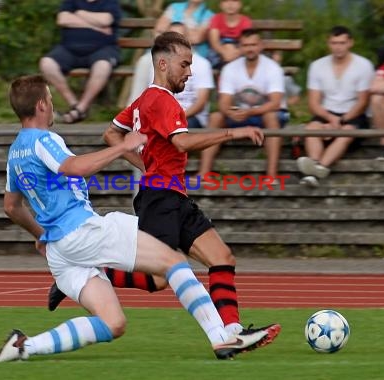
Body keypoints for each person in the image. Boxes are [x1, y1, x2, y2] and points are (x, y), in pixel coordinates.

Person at [0, 74, 265, 363]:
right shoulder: (43, 140)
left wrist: (41, 236)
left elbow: (12, 206)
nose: (52, 105)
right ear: (40, 106)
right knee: (173, 262)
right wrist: (122, 147)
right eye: (50, 99)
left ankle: (24, 346)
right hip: (83, 231)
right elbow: (74, 167)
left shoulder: (15, 152)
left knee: (113, 323)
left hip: (61, 251)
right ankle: (222, 338)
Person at [97, 31, 280, 344]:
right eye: (185, 64)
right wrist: (232, 134)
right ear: (164, 64)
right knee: (156, 280)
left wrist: (145, 164)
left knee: (222, 258)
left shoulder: (144, 100)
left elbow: (111, 134)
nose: (190, 72)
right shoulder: (163, 100)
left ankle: (234, 333)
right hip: (160, 200)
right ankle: (92, 273)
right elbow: (180, 142)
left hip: (173, 196)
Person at [196, 28, 287, 179]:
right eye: (246, 45)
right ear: (240, 47)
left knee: (271, 116)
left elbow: (275, 103)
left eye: (253, 45)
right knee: (216, 117)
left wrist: (250, 112)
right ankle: (204, 173)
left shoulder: (273, 68)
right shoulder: (230, 68)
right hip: (240, 114)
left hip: (266, 115)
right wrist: (229, 112)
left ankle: (271, 175)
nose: (250, 49)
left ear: (260, 46)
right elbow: (223, 102)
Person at [297, 26, 374, 187]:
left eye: (342, 43)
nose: (338, 47)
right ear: (328, 44)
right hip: (327, 112)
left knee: (346, 133)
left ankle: (318, 168)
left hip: (353, 114)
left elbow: (362, 102)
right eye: (334, 43)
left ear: (350, 43)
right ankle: (316, 164)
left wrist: (341, 120)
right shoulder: (317, 66)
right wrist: (330, 119)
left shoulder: (363, 65)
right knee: (312, 129)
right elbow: (313, 102)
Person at [39, 0, 122, 124]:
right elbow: (62, 19)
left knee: (103, 66)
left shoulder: (109, 2)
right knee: (46, 63)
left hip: (103, 49)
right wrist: (95, 25)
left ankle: (80, 108)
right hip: (68, 49)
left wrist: (79, 12)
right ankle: (74, 105)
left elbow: (106, 20)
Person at [128, 22, 215, 129]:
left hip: (190, 116)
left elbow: (201, 103)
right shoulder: (159, 64)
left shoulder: (202, 64)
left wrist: (178, 116)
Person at [207, 0, 253, 68]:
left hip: (239, 50)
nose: (230, 4)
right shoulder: (216, 19)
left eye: (234, 1)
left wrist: (234, 54)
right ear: (221, 5)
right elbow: (214, 42)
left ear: (240, 4)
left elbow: (247, 41)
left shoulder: (245, 21)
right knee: (211, 58)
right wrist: (224, 53)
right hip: (220, 50)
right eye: (226, 1)